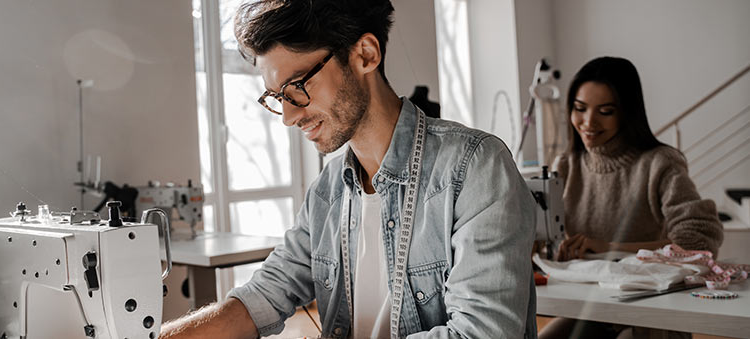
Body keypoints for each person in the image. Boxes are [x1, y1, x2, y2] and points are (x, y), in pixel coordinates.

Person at [160, 1, 537, 338]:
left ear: (366, 55)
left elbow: (482, 332)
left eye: (297, 86)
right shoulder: (328, 191)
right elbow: (260, 298)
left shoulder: (474, 167)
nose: (289, 117)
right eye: (278, 98)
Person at [539, 56, 724, 339]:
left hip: (656, 308)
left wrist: (611, 247)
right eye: (579, 108)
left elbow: (697, 243)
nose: (588, 122)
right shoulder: (565, 164)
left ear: (627, 113)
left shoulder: (660, 163)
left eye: (605, 111)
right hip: (594, 305)